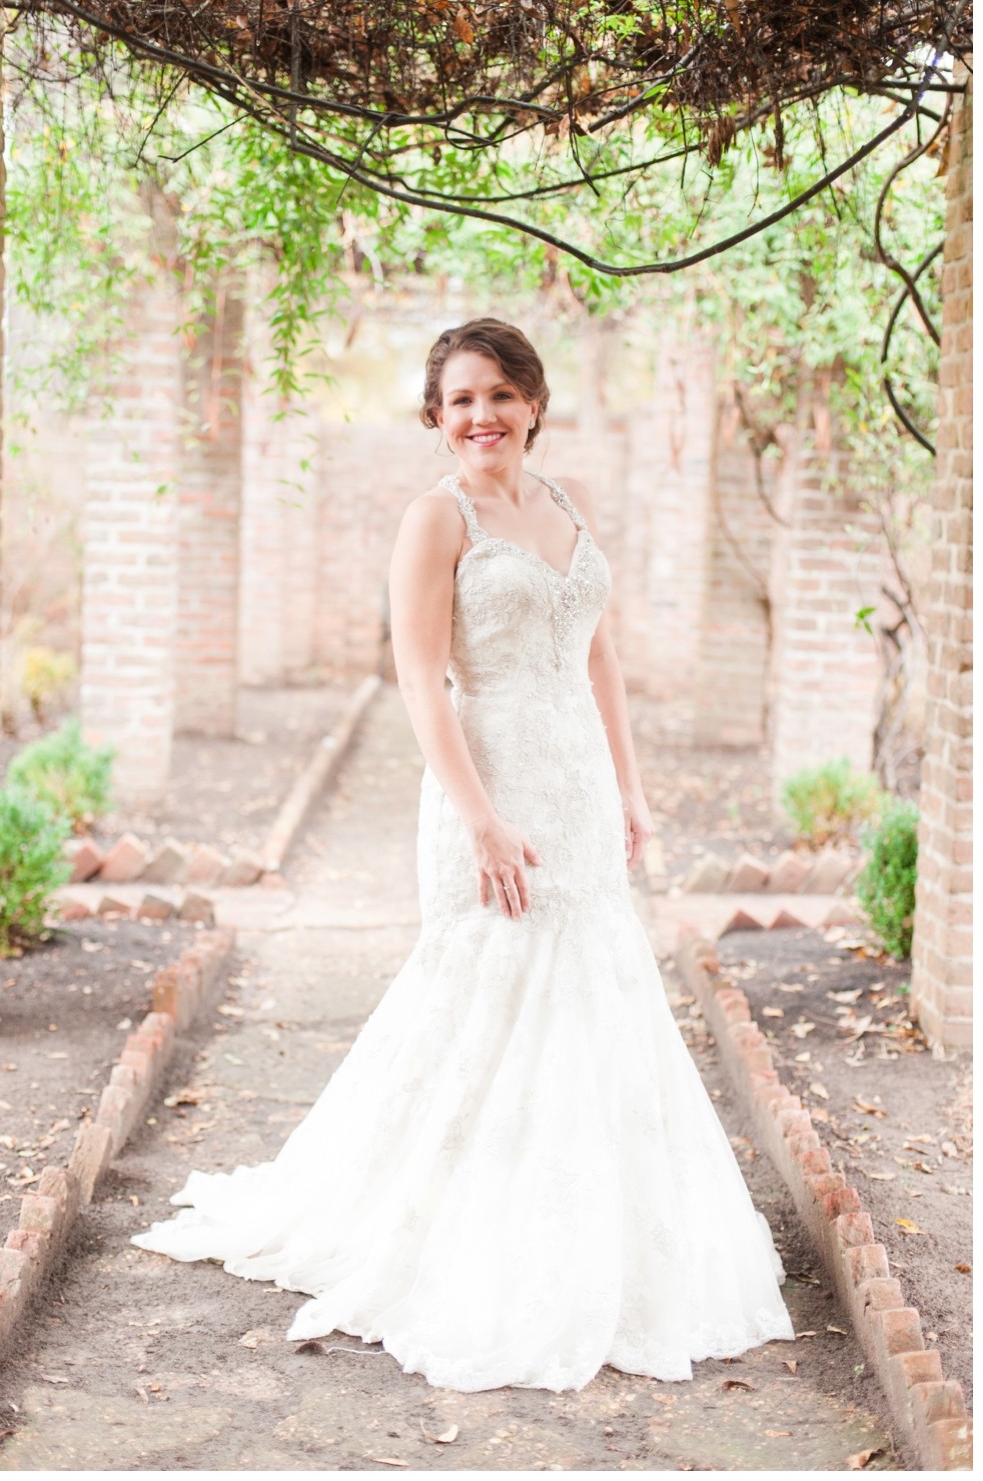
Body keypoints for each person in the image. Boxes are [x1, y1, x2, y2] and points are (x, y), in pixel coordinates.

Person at [131, 317, 796, 1392]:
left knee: (592, 989)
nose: (479, 416)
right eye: (458, 401)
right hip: (487, 784)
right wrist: (480, 815)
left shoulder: (563, 504)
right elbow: (420, 681)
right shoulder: (432, 519)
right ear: (435, 420)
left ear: (532, 401)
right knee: (490, 993)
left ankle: (605, 1233)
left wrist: (628, 785)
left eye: (497, 394)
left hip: (575, 785)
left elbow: (603, 654)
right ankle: (469, 1229)